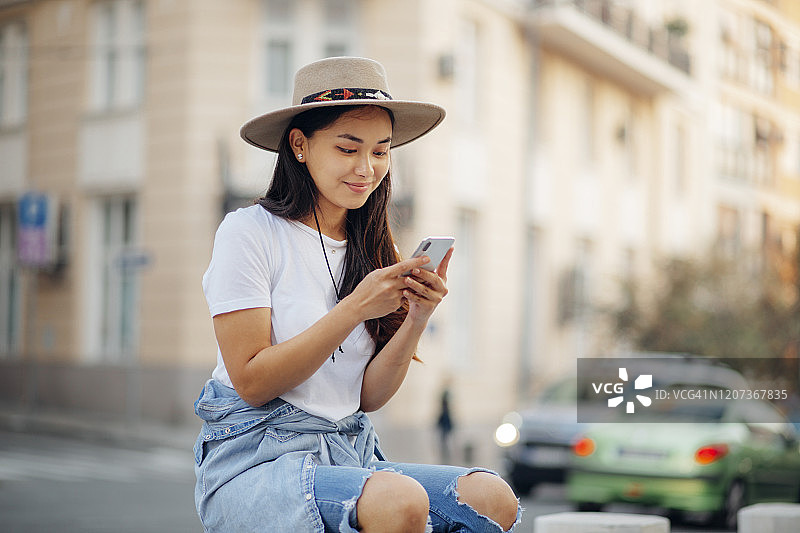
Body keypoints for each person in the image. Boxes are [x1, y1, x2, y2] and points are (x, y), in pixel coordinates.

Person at [193, 56, 521, 533]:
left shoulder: (371, 247)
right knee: (398, 500)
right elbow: (251, 382)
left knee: (490, 496)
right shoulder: (249, 232)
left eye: (381, 152)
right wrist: (354, 309)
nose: (367, 169)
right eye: (348, 148)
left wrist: (417, 318)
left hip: (349, 451)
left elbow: (368, 397)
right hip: (255, 459)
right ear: (300, 145)